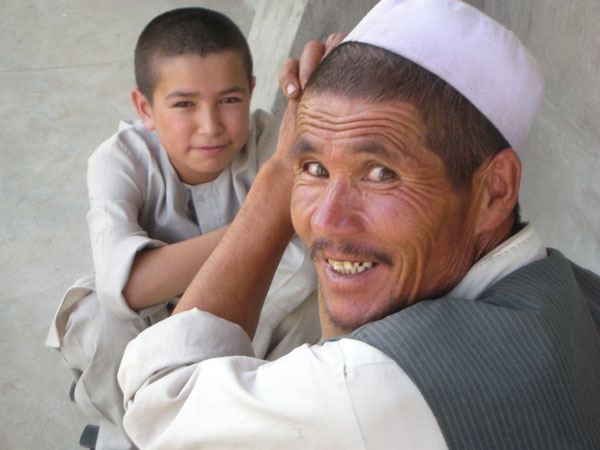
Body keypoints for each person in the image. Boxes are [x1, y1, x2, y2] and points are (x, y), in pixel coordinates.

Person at [118, 0, 600, 448]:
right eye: (314, 168)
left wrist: (282, 171)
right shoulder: (574, 292)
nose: (327, 219)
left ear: (495, 190)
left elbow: (161, 408)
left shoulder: (379, 380)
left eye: (380, 174)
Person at [45, 7, 320, 450]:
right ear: (144, 107)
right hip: (147, 327)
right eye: (184, 104)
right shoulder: (120, 159)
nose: (210, 126)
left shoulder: (274, 144)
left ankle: (243, 432)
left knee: (307, 296)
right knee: (94, 316)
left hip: (249, 325)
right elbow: (130, 287)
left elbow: (303, 267)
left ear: (251, 93)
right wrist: (261, 223)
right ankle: (138, 437)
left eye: (229, 100)